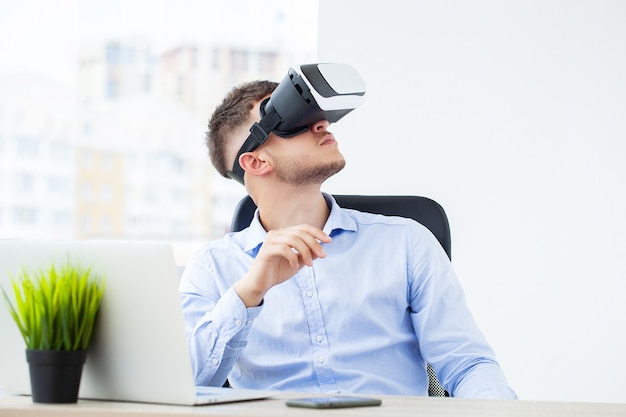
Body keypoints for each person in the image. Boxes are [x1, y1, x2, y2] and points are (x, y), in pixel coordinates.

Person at [179, 77, 517, 399]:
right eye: (290, 119)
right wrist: (249, 292)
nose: (321, 124)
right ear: (255, 161)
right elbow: (184, 384)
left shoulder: (407, 243)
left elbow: (467, 364)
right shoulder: (212, 268)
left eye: (315, 114)